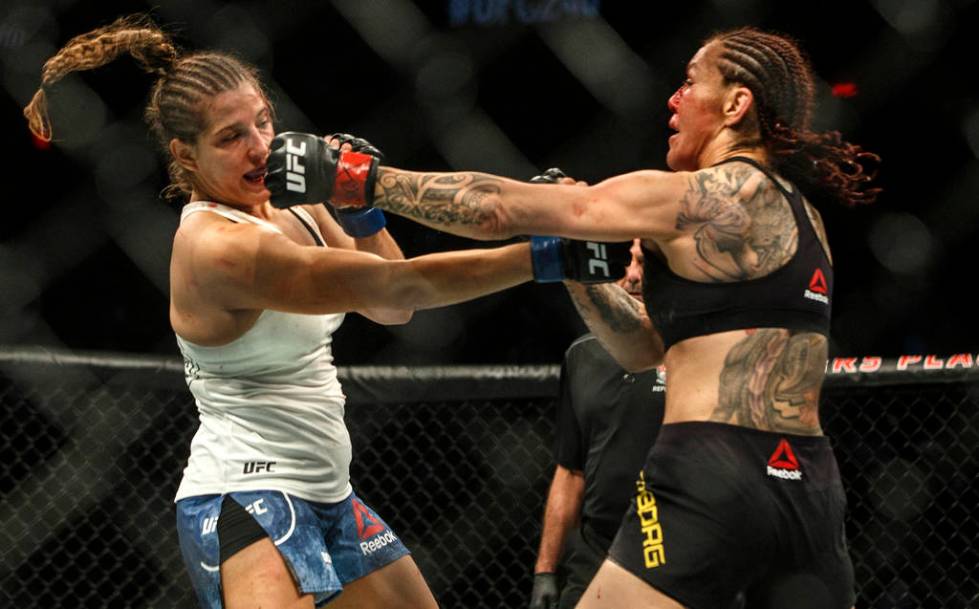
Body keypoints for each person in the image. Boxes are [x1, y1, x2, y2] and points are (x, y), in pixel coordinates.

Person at [22, 15, 629, 609]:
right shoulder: (218, 248)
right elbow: (403, 285)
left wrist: (358, 209)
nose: (260, 147)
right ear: (185, 155)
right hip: (246, 495)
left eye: (263, 123)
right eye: (231, 138)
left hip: (328, 492)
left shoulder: (296, 210)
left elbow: (390, 310)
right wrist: (544, 255)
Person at [273, 27, 880, 609]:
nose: (673, 97)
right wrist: (579, 271)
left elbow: (499, 210)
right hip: (808, 481)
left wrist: (359, 179)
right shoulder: (804, 218)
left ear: (735, 104)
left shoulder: (706, 195)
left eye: (691, 82)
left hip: (711, 466)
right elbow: (643, 350)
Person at [530, 239, 666, 609]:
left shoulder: (694, 350)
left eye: (645, 265)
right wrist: (545, 570)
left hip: (677, 540)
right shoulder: (583, 355)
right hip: (598, 550)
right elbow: (570, 471)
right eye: (624, 264)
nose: (633, 277)